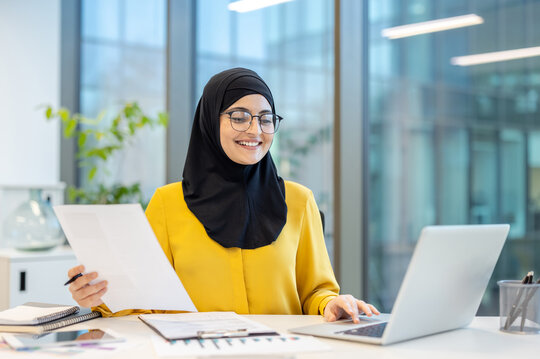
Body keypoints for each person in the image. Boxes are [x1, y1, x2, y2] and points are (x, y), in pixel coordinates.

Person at [67, 68, 379, 323]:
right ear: (210, 120)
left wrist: (331, 303)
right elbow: (142, 302)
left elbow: (316, 291)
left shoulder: (299, 201)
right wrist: (100, 296)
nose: (255, 130)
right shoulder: (167, 204)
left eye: (266, 118)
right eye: (239, 116)